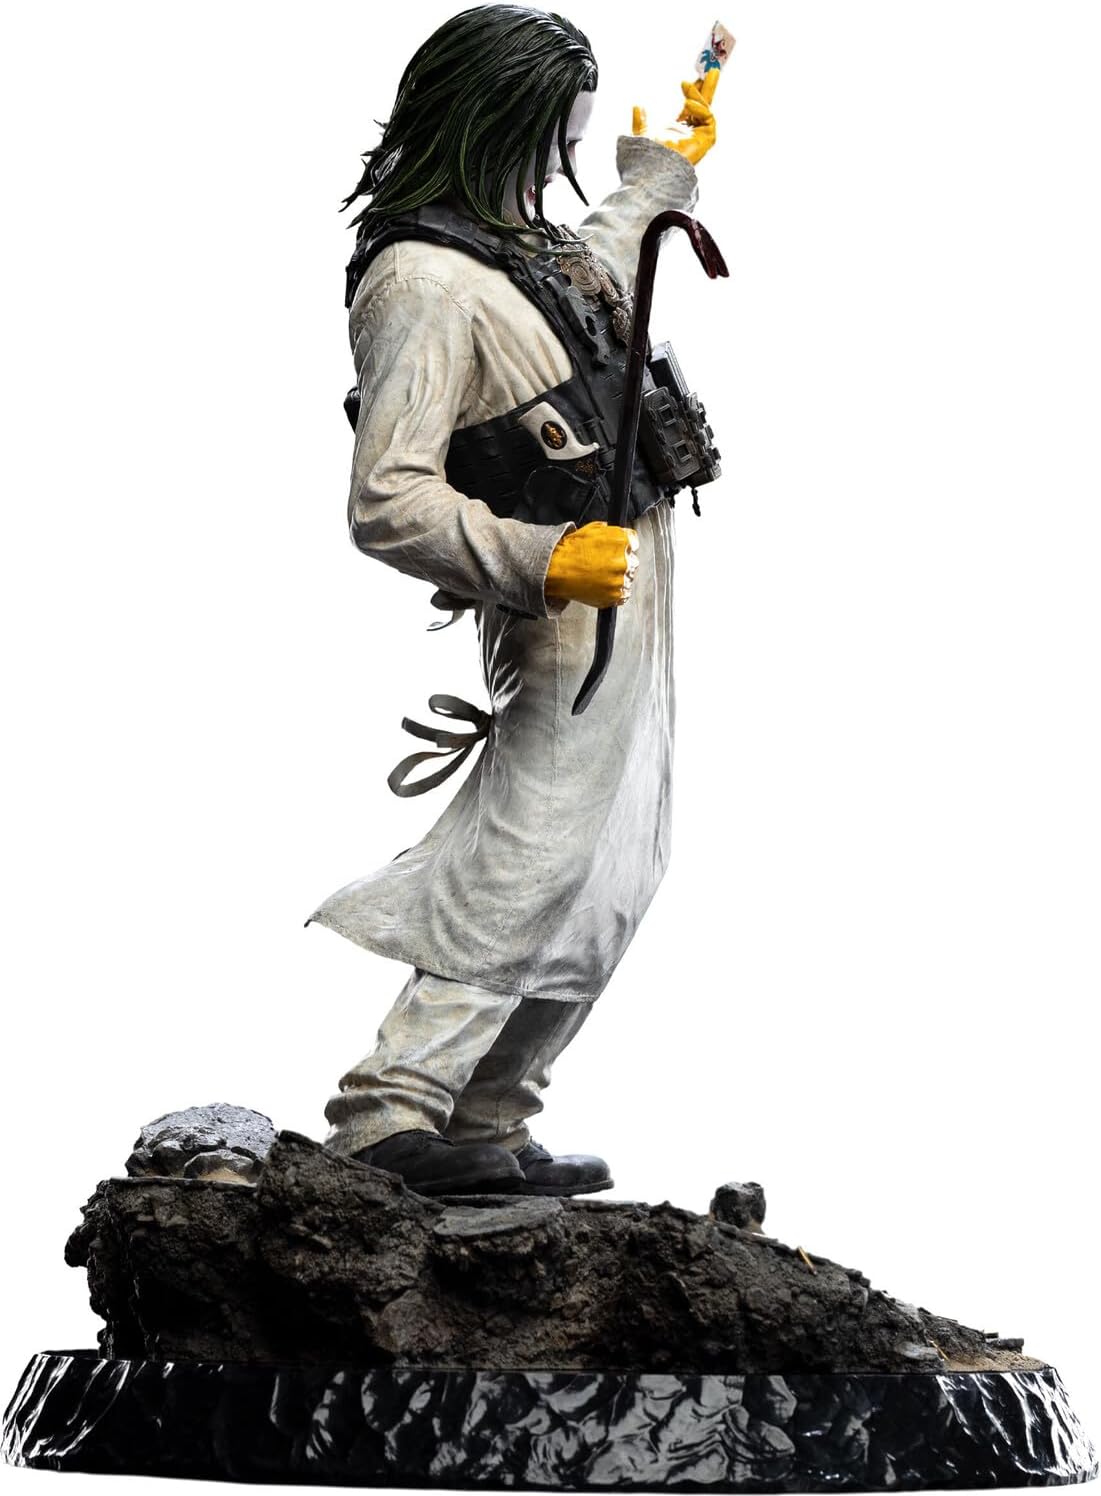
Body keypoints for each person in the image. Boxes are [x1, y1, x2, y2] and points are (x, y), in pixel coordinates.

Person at [308, 4, 721, 1196]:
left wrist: (661, 171)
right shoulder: (419, 282)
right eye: (552, 128)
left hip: (629, 577)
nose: (562, 154)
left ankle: (488, 1112)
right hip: (563, 600)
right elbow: (386, 498)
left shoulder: (517, 247)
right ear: (491, 118)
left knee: (615, 870)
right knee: (531, 859)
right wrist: (543, 561)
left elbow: (599, 270)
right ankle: (391, 1108)